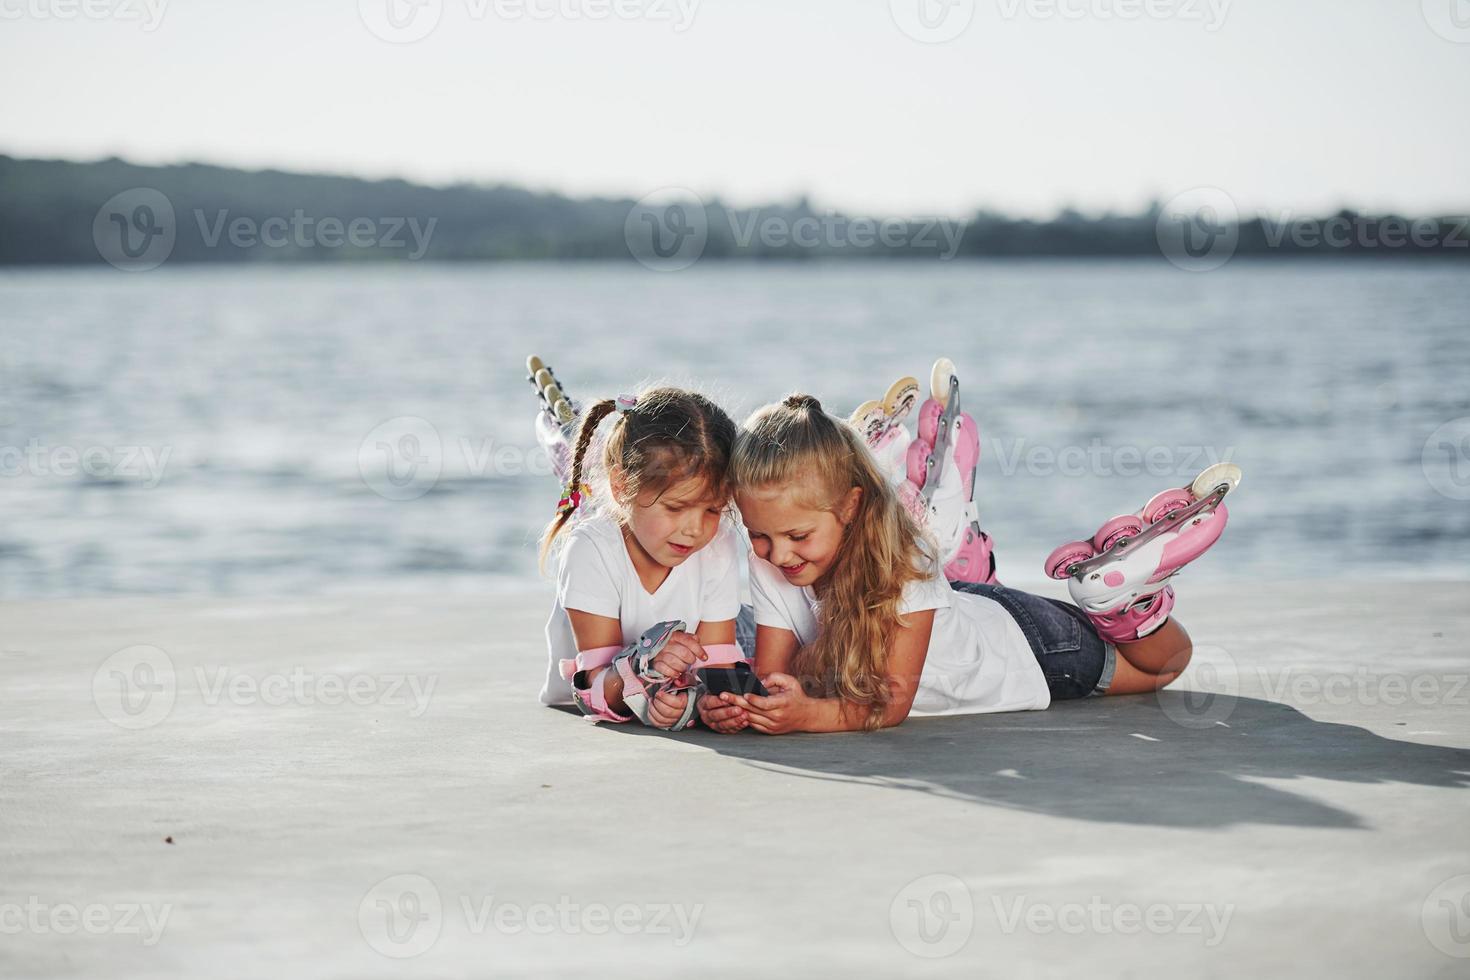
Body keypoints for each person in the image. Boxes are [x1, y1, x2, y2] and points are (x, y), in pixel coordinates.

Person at [698, 394, 1233, 735]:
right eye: (759, 535)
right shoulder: (771, 559)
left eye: (797, 535)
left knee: (1163, 666)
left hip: (1029, 648)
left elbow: (891, 704)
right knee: (952, 587)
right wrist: (747, 709)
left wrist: (809, 715)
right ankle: (963, 549)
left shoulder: (900, 563)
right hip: (961, 607)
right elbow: (774, 676)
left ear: (852, 505)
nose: (778, 553)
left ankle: (1119, 602)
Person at [538, 386, 746, 730]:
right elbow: (596, 685)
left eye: (713, 509)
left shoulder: (716, 541)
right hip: (603, 679)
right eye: (676, 507)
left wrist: (702, 704)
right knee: (593, 520)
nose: (696, 529)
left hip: (734, 634)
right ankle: (575, 458)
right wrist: (645, 671)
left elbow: (717, 663)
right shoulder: (590, 550)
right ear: (622, 486)